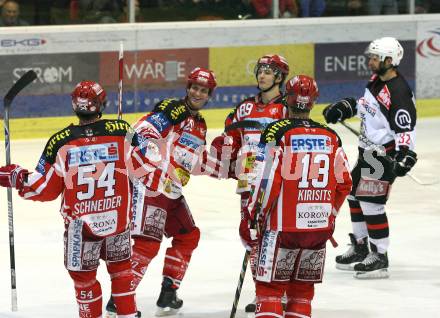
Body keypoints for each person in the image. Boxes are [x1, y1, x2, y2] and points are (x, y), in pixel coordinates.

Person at [0, 81, 147, 318]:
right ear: (102, 104)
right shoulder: (122, 131)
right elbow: (145, 163)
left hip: (81, 229)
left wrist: (16, 177)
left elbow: (43, 188)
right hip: (117, 222)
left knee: (84, 281)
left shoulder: (60, 141)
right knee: (121, 272)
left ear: (73, 106)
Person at [105, 67, 218, 317]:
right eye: (194, 87)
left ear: (209, 95)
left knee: (189, 236)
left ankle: (169, 290)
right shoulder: (171, 110)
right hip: (151, 185)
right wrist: (154, 159)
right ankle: (119, 298)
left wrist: (229, 169)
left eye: (203, 90)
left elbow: (195, 161)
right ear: (188, 88)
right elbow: (142, 131)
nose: (198, 93)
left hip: (172, 191)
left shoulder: (200, 125)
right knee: (146, 244)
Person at [240, 75, 352, 318]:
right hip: (318, 230)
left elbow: (266, 182)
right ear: (313, 102)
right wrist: (328, 216)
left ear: (287, 99)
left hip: (282, 229)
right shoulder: (331, 136)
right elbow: (345, 183)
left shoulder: (276, 132)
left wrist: (253, 217)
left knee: (269, 290)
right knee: (302, 292)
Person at [322, 37, 417, 279]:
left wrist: (405, 155)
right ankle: (362, 246)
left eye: (375, 57)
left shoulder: (399, 91)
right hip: (368, 151)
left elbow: (405, 128)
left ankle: (380, 256)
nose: (370, 61)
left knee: (371, 202)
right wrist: (347, 107)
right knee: (354, 194)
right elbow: (368, 105)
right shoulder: (376, 81)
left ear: (389, 60)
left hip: (383, 154)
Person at [210, 54, 289, 313]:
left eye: (268, 71)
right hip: (248, 183)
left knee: (277, 236)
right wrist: (225, 154)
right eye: (260, 70)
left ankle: (281, 290)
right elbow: (230, 136)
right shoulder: (244, 108)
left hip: (279, 182)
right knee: (251, 236)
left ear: (279, 77)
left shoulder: (287, 107)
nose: (262, 75)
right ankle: (263, 291)